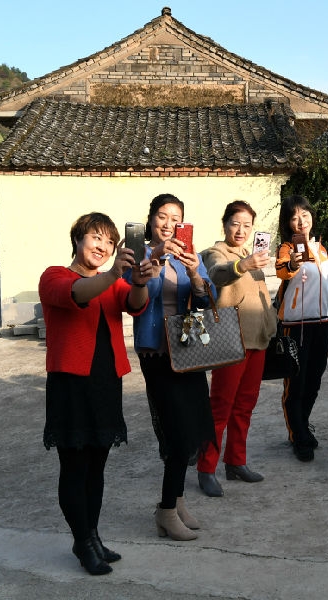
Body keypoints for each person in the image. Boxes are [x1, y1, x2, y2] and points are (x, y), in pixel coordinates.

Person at [39, 212, 156, 575]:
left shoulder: (111, 281)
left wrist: (138, 281)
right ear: (77, 239)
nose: (102, 246)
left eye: (109, 241)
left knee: (96, 467)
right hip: (71, 385)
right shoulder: (55, 276)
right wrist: (112, 275)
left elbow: (135, 304)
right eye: (95, 238)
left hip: (105, 383)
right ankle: (82, 542)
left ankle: (92, 536)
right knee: (75, 467)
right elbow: (77, 294)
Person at [124, 194, 217, 540]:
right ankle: (165, 511)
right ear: (151, 219)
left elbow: (207, 300)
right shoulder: (138, 253)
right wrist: (157, 258)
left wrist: (194, 274)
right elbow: (133, 295)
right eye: (162, 216)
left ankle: (177, 501)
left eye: (176, 219)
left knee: (193, 428)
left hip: (189, 348)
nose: (168, 224)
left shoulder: (190, 256)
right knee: (176, 432)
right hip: (156, 353)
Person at [196, 200, 276, 496]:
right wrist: (242, 265)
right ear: (225, 224)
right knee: (220, 407)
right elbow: (217, 274)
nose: (241, 230)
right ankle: (206, 468)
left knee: (245, 406)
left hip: (258, 339)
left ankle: (236, 462)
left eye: (247, 225)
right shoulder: (216, 253)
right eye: (235, 223)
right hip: (230, 340)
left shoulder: (250, 255)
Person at [274, 195, 328, 462]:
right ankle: (298, 435)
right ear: (288, 223)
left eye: (305, 214)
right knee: (296, 382)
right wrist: (293, 263)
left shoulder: (322, 248)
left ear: (312, 216)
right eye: (294, 217)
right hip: (296, 324)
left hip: (322, 323)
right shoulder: (287, 248)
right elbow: (282, 271)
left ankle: (302, 424)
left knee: (314, 380)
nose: (301, 221)